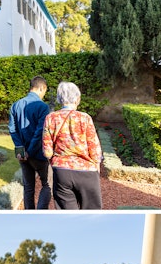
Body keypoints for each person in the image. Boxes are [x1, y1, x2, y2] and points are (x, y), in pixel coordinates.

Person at [42, 81, 103, 209]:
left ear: (60, 99)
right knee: (92, 217)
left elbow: (47, 152)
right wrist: (96, 168)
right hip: (87, 173)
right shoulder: (85, 118)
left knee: (68, 218)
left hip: (62, 172)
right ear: (77, 99)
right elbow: (95, 150)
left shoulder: (50, 118)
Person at [9, 75, 52, 210]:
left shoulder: (15, 105)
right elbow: (40, 132)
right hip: (38, 154)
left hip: (23, 155)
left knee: (28, 187)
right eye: (45, 91)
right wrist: (30, 151)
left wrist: (21, 150)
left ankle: (29, 214)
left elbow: (12, 130)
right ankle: (39, 214)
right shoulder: (43, 107)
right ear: (41, 88)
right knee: (47, 185)